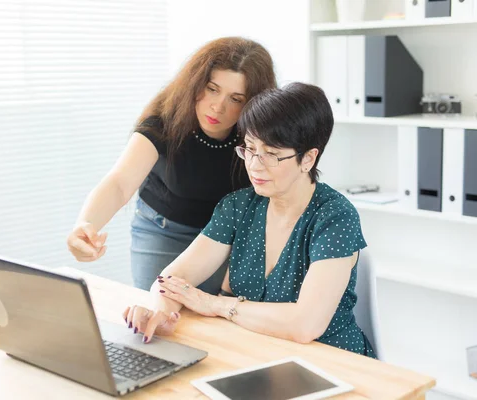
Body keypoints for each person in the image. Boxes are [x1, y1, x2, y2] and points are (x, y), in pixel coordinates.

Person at [122, 83, 376, 358]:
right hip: (255, 354)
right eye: (250, 149)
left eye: (271, 155)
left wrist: (216, 305)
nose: (255, 165)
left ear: (308, 159)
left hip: (332, 362)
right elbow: (173, 280)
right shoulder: (238, 206)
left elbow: (305, 325)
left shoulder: (335, 217)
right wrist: (160, 313)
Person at [67, 37, 277, 294]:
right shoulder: (165, 120)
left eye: (236, 99)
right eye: (212, 89)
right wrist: (85, 225)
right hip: (164, 231)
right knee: (156, 318)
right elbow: (120, 183)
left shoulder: (259, 134)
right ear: (196, 83)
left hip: (228, 238)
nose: (218, 106)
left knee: (216, 320)